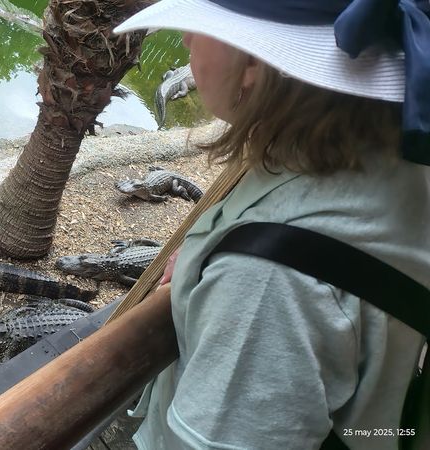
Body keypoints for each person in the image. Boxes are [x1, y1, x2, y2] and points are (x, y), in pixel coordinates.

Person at [113, 1, 430, 449]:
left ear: (254, 61)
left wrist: (246, 261)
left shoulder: (266, 281)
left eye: (201, 28)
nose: (185, 39)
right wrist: (215, 249)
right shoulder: (393, 151)